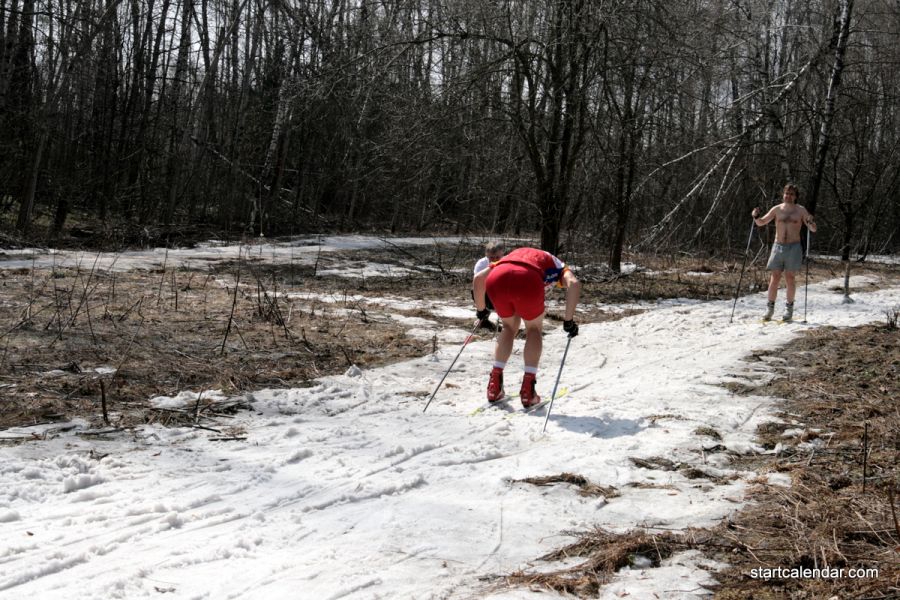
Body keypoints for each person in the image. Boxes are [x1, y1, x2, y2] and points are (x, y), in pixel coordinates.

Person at [472, 247, 581, 408]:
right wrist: (568, 320)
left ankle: (494, 388)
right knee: (534, 329)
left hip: (498, 278)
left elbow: (478, 279)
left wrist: (481, 310)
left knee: (509, 327)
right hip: (528, 279)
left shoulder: (511, 256)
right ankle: (528, 392)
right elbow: (574, 283)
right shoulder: (559, 267)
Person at [752, 183, 817, 321]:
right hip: (778, 246)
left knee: (790, 278)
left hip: (793, 247)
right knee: (774, 277)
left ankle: (789, 308)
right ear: (783, 194)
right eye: (786, 193)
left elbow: (813, 229)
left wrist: (811, 222)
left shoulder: (800, 210)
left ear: (796, 197)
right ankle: (769, 308)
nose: (788, 196)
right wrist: (756, 216)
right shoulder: (777, 209)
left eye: (791, 194)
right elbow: (761, 222)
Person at [472, 240, 504, 330]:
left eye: (497, 257)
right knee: (475, 290)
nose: (494, 260)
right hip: (487, 291)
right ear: (487, 255)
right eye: (491, 258)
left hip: (503, 292)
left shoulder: (507, 262)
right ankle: (482, 317)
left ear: (502, 254)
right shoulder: (481, 264)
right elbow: (478, 283)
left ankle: (507, 319)